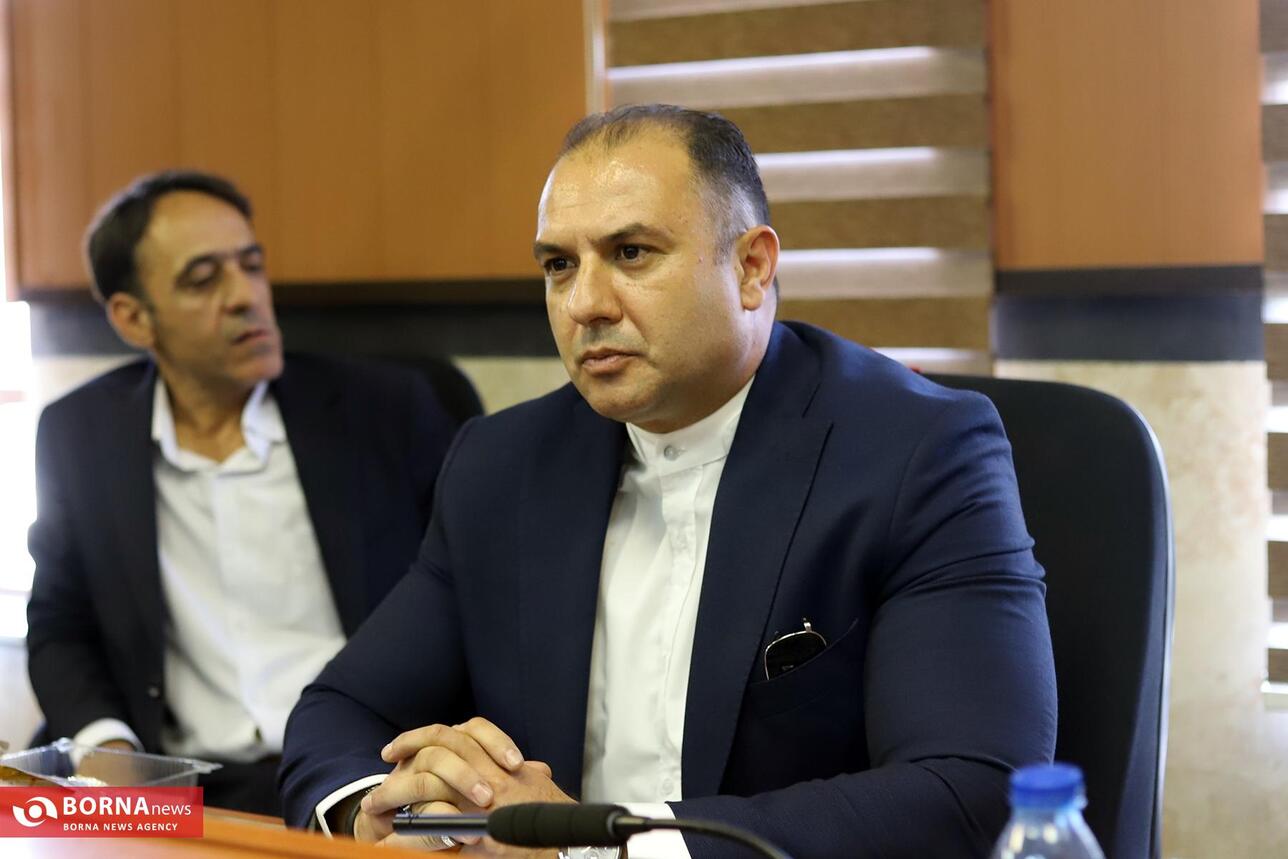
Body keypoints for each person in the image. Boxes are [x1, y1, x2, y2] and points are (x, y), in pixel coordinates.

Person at [280, 106, 1057, 857]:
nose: (585, 304)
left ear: (751, 267)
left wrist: (588, 843)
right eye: (559, 265)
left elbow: (970, 789)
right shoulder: (500, 463)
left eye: (631, 253)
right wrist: (388, 816)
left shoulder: (918, 452)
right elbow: (341, 709)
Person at [26, 170, 461, 815]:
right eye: (204, 280)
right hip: (185, 789)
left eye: (252, 266)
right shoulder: (81, 434)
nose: (246, 296)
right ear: (133, 318)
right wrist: (107, 748)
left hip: (361, 776)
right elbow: (60, 625)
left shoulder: (383, 412)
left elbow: (468, 596)